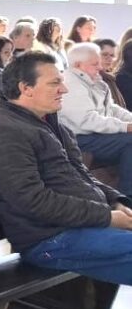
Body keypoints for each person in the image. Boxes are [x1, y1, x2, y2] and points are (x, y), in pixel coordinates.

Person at [0, 52, 132, 309]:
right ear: (25, 88)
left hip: (78, 227)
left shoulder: (45, 120)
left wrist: (117, 201)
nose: (64, 89)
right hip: (47, 241)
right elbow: (34, 203)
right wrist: (108, 217)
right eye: (55, 82)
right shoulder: (3, 132)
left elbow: (81, 176)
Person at [59, 42, 132, 195]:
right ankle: (127, 196)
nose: (100, 67)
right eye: (95, 63)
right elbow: (86, 120)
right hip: (78, 139)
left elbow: (111, 108)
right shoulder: (70, 83)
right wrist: (125, 127)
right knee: (130, 141)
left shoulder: (94, 80)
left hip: (95, 135)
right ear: (78, 65)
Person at [98, 38, 125, 108]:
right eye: (105, 54)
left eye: (112, 55)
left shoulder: (110, 78)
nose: (109, 59)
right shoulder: (91, 78)